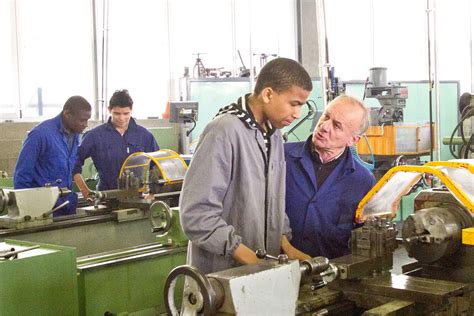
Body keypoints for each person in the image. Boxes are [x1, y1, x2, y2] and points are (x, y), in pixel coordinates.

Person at [180, 57, 313, 274]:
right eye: (294, 104)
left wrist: (286, 247)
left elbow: (272, 201)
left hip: (262, 273)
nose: (297, 114)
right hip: (222, 274)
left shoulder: (274, 134)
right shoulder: (223, 131)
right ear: (268, 94)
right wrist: (253, 261)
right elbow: (196, 215)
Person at [285, 95, 376, 259]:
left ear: (353, 140)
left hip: (331, 274)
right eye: (326, 116)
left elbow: (363, 236)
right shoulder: (281, 158)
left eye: (337, 125)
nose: (324, 126)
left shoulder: (362, 180)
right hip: (277, 267)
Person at [14, 95, 92, 216]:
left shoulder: (75, 135)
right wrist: (25, 210)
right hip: (43, 208)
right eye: (82, 120)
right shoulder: (40, 135)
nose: (85, 125)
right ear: (67, 113)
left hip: (66, 205)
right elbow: (22, 175)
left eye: (87, 120)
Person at [73, 89, 159, 198]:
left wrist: (152, 193)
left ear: (131, 110)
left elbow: (156, 164)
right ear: (109, 110)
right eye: (117, 113)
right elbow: (73, 162)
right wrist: (84, 190)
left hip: (137, 198)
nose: (122, 118)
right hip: (106, 197)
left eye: (126, 113)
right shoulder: (95, 136)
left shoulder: (144, 135)